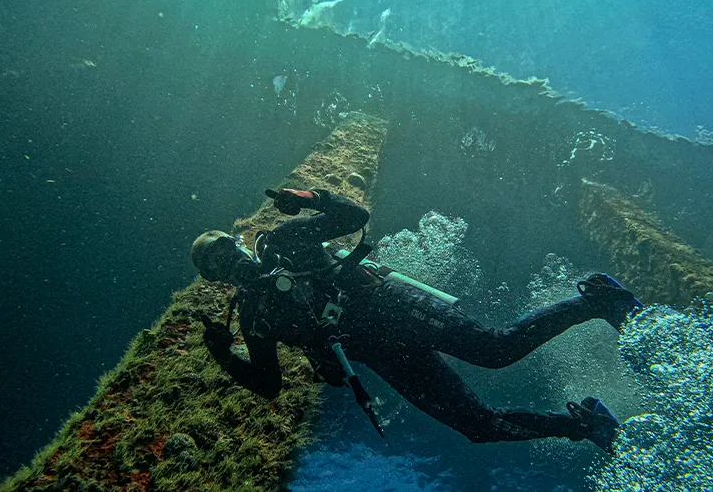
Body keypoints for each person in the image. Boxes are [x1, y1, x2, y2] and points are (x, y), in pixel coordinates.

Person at [191, 188, 643, 453]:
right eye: (217, 267)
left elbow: (354, 216)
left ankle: (596, 300)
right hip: (381, 354)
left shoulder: (288, 241)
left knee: (496, 350)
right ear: (215, 280)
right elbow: (270, 384)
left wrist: (308, 197)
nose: (230, 266)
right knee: (477, 427)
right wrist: (224, 354)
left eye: (227, 253)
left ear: (239, 243)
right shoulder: (254, 315)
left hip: (393, 308)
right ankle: (584, 425)